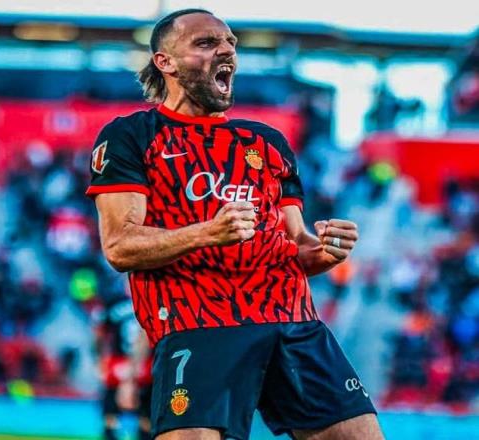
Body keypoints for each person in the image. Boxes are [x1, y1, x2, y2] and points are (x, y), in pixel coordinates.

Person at [86, 8, 384, 440]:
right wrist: (209, 232)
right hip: (199, 324)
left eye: (230, 43)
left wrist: (327, 250)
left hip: (293, 321)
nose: (226, 50)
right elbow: (120, 247)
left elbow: (298, 246)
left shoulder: (267, 142)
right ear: (165, 62)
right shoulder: (132, 136)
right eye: (206, 43)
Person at [93, 290, 153, 440]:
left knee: (110, 414)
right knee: (147, 414)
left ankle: (111, 429)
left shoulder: (114, 302)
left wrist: (100, 357)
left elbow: (99, 331)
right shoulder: (151, 298)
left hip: (119, 364)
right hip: (145, 363)